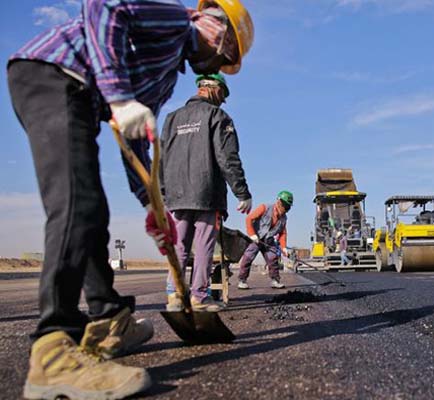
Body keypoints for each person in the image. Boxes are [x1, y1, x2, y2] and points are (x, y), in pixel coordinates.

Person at [6, 0, 253, 398]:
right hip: (50, 73)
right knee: (76, 206)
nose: (219, 62)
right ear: (214, 27)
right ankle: (53, 352)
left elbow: (135, 135)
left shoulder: (167, 75)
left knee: (94, 213)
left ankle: (109, 318)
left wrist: (151, 204)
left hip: (79, 94)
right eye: (226, 53)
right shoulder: (175, 19)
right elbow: (104, 6)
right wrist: (119, 97)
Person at [161, 73, 252, 312]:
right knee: (203, 246)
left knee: (179, 245)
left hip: (176, 195)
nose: (222, 101)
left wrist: (163, 192)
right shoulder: (217, 116)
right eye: (222, 95)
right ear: (213, 89)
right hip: (206, 192)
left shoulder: (171, 119)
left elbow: (161, 158)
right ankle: (199, 296)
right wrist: (242, 193)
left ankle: (174, 295)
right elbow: (227, 158)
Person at [238, 191, 293, 289]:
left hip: (268, 241)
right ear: (279, 202)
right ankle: (242, 280)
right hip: (256, 239)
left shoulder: (284, 218)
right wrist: (252, 234)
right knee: (248, 257)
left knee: (273, 258)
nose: (286, 209)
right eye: (285, 206)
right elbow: (249, 219)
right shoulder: (265, 208)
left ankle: (275, 280)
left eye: (288, 207)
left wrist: (283, 247)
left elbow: (282, 233)